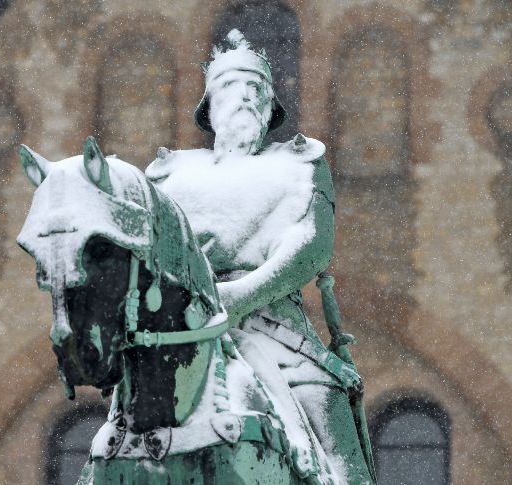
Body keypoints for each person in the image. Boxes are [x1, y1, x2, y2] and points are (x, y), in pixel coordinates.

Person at [145, 30, 373, 484]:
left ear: (271, 110)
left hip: (279, 333)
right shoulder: (171, 177)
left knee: (328, 417)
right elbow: (153, 256)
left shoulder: (300, 164)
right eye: (232, 87)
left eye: (259, 92)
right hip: (186, 335)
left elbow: (309, 248)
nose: (247, 97)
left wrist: (239, 295)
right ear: (210, 107)